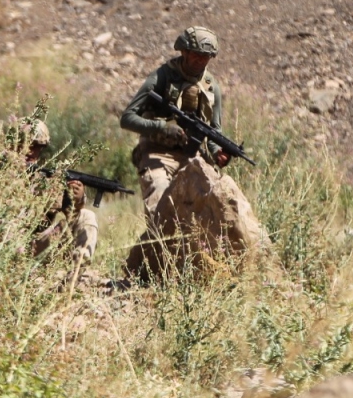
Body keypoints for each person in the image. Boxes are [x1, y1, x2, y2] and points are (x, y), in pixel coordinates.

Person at [120, 26, 231, 221]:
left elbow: (214, 131)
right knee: (160, 201)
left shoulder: (211, 87)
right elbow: (127, 118)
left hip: (193, 156)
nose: (201, 60)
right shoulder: (161, 77)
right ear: (184, 51)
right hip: (156, 152)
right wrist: (162, 127)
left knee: (217, 201)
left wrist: (217, 152)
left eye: (206, 56)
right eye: (196, 55)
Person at [27, 120, 99, 263]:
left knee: (87, 216)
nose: (32, 151)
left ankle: (78, 267)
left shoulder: (46, 180)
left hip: (38, 245)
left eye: (38, 146)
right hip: (10, 248)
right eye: (28, 144)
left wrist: (76, 200)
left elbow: (71, 216)